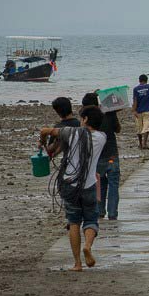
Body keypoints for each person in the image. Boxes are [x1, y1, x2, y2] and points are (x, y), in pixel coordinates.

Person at [38, 105, 106, 272]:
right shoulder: (102, 137)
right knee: (91, 219)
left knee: (73, 221)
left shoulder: (72, 132)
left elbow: (45, 130)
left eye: (82, 118)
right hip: (89, 185)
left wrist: (42, 141)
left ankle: (77, 263)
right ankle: (88, 246)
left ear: (86, 119)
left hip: (69, 184)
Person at [83, 92, 121, 221]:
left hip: (96, 156)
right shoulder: (109, 112)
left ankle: (100, 211)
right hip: (111, 154)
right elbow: (118, 129)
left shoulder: (86, 119)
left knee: (100, 184)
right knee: (113, 185)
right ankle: (112, 213)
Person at [132, 75, 149, 150]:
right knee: (146, 127)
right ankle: (144, 143)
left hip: (138, 111)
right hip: (147, 110)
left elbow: (135, 101)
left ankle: (140, 144)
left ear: (139, 80)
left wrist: (134, 110)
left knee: (139, 128)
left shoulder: (135, 89)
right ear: (146, 80)